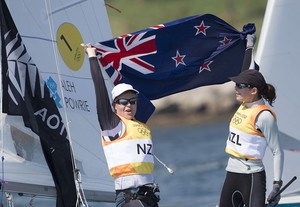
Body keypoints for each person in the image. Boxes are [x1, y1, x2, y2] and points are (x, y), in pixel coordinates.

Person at [85, 46, 160, 207]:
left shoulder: (140, 124)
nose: (128, 106)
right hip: (129, 197)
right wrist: (92, 57)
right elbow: (100, 90)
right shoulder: (111, 124)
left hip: (149, 195)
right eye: (123, 102)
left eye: (132, 101)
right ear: (114, 105)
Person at [218, 34, 284, 207]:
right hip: (231, 172)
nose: (235, 89)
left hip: (252, 175)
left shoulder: (264, 116)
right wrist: (249, 45)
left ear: (254, 90)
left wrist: (277, 185)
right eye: (235, 85)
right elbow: (247, 68)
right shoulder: (244, 104)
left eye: (240, 86)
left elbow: (277, 151)